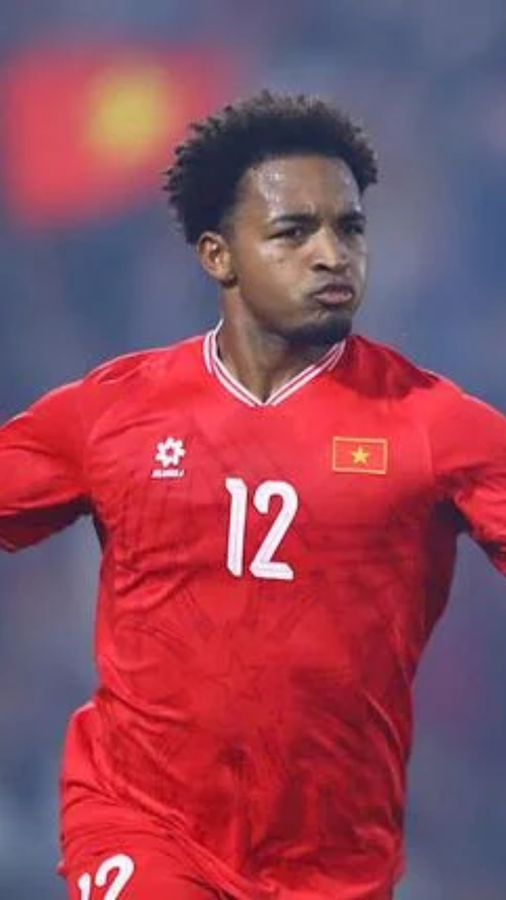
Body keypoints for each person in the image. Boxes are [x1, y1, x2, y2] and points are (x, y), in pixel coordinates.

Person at [1, 90, 505, 900]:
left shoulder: (433, 425)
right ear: (218, 256)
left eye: (350, 228)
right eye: (294, 231)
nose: (332, 254)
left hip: (334, 859)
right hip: (140, 827)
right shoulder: (116, 412)